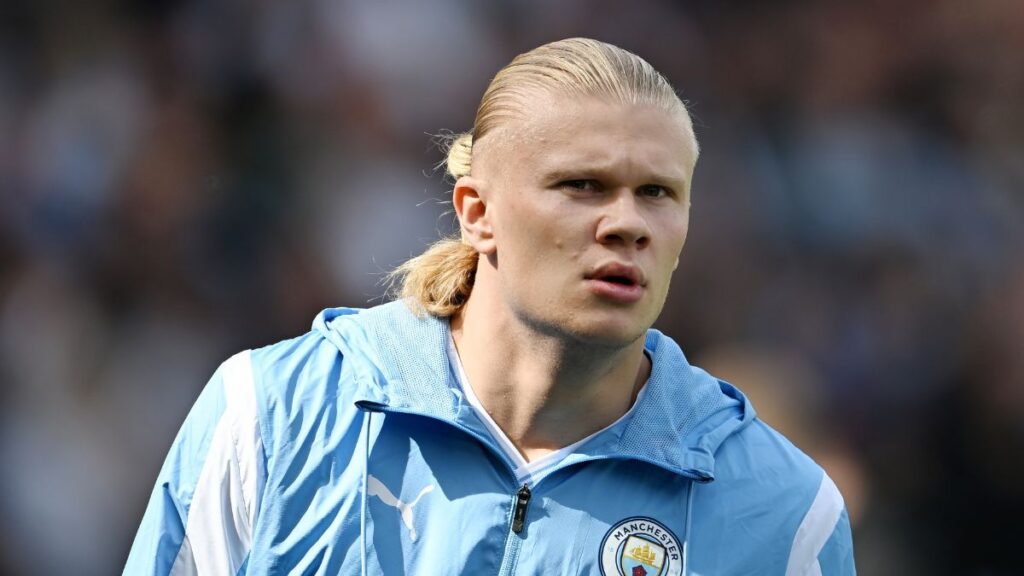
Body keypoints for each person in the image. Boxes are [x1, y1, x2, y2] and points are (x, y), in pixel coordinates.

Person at [125, 38, 855, 575]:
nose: (628, 224)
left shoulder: (783, 512)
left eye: (658, 193)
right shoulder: (272, 418)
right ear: (477, 213)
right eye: (583, 186)